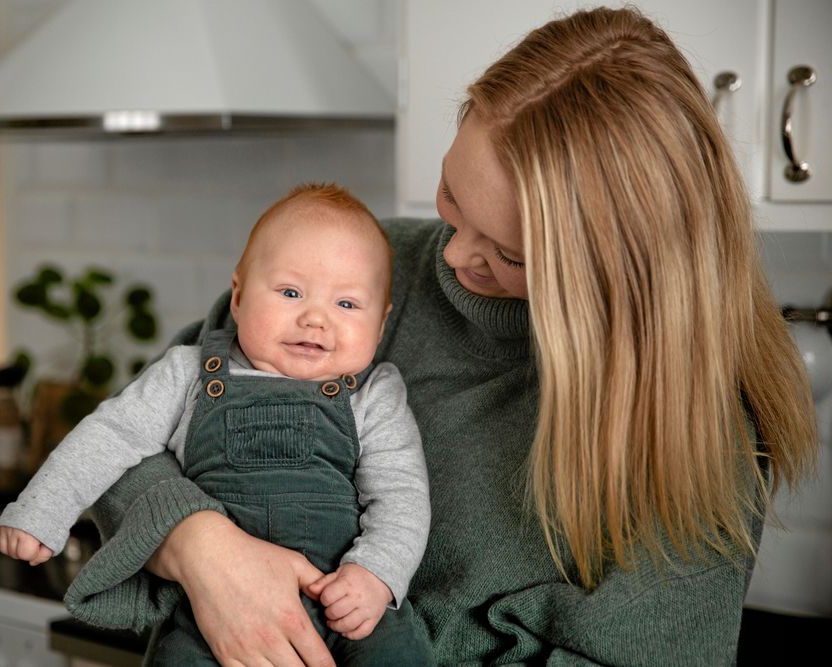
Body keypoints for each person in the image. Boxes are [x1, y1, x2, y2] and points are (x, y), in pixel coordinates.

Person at [62, 6, 819, 666]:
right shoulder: (358, 273)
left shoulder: (701, 428)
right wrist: (199, 546)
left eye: (508, 252)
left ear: (610, 269)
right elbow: (128, 442)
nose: (452, 257)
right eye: (453, 196)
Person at [0, 183, 433, 664]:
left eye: (346, 304)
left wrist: (375, 575)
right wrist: (41, 511)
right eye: (290, 292)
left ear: (382, 324)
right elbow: (108, 436)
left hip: (346, 606)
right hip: (209, 619)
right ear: (238, 297)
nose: (315, 319)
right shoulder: (188, 372)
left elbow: (401, 497)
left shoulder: (374, 395)